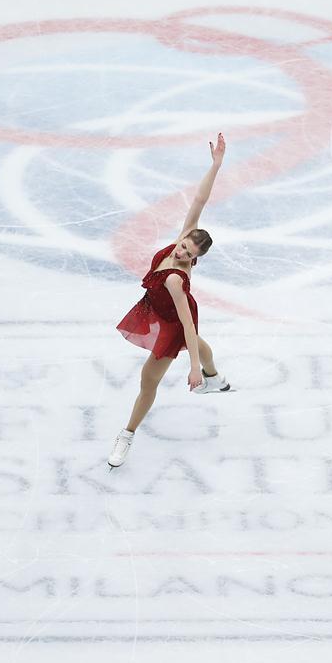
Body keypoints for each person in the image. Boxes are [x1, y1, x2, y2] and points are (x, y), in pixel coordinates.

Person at [108, 132, 231, 468]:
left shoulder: (176, 279)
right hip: (157, 307)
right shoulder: (182, 238)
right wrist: (216, 165)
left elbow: (188, 326)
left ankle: (126, 435)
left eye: (188, 253)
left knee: (148, 382)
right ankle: (215, 378)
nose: (180, 250)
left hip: (174, 322)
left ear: (196, 258)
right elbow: (199, 202)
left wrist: (192, 368)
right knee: (205, 349)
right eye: (182, 245)